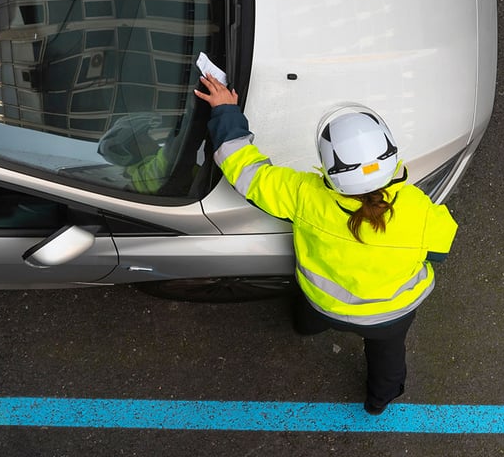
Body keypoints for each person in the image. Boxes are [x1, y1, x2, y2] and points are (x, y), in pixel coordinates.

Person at [194, 73, 458, 415]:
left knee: (309, 315)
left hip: (322, 303)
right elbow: (440, 251)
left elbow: (247, 172)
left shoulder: (305, 196)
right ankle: (379, 401)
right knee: (388, 360)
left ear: (329, 167)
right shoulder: (420, 211)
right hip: (389, 315)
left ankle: (306, 328)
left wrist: (227, 112)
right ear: (391, 155)